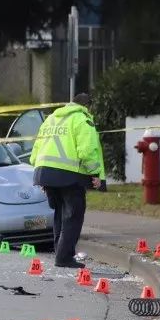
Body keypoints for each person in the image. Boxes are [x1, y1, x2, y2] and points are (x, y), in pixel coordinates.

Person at [30, 93, 106, 268]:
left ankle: (60, 253)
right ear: (88, 106)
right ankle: (64, 257)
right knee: (73, 216)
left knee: (59, 214)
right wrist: (94, 172)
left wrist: (43, 176)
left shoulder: (50, 120)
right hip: (69, 174)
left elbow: (35, 153)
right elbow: (87, 151)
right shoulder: (82, 119)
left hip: (44, 173)